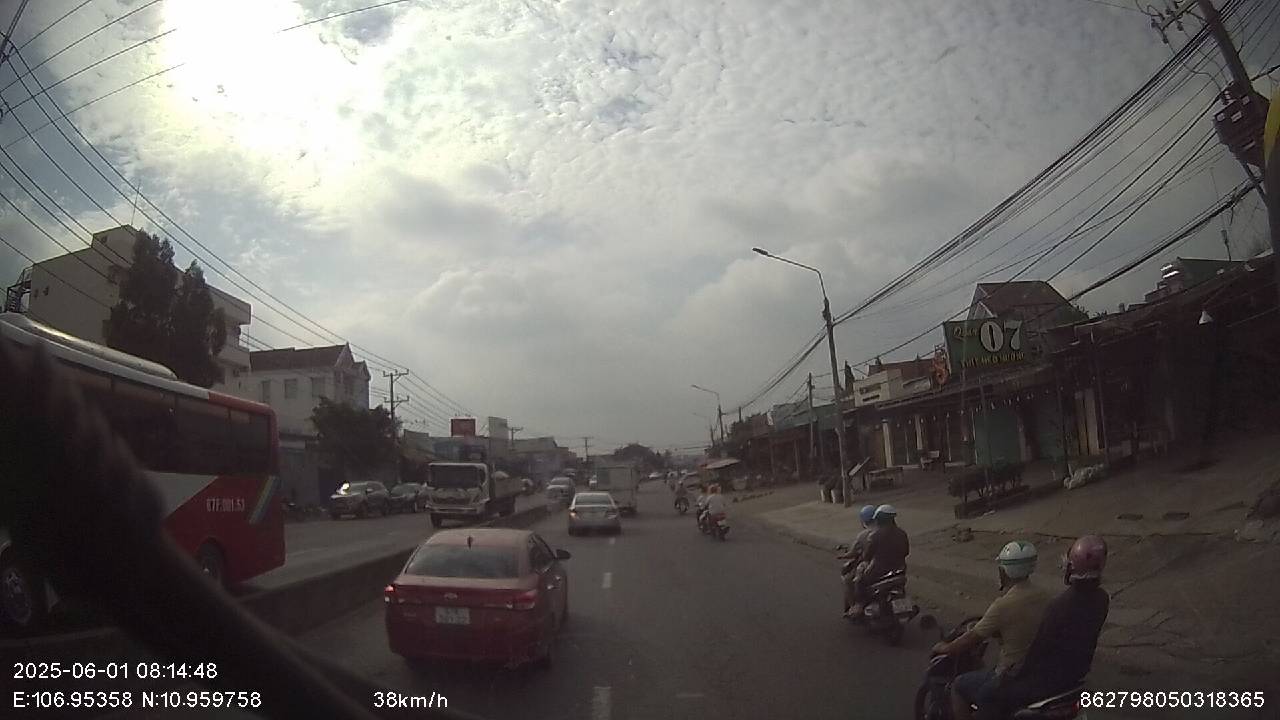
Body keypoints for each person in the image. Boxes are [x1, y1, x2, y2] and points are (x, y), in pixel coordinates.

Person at [990, 536, 1111, 717]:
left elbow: (1037, 651)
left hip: (1045, 682)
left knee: (989, 695)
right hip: (1076, 675)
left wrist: (1011, 674)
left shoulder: (1060, 606)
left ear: (1072, 567)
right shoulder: (1101, 599)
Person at [932, 541, 1051, 720]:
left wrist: (944, 647)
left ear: (1005, 571)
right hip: (1039, 671)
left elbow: (969, 640)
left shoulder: (1003, 605)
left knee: (959, 686)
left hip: (1011, 674)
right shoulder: (1046, 596)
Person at [848, 504, 910, 617]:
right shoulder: (902, 533)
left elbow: (867, 556)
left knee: (859, 578)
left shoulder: (875, 536)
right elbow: (906, 552)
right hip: (900, 569)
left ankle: (859, 604)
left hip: (878, 571)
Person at [840, 505, 878, 617]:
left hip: (871, 565)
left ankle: (856, 606)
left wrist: (842, 556)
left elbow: (853, 552)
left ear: (863, 521)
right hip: (890, 564)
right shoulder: (885, 531)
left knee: (849, 579)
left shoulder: (863, 535)